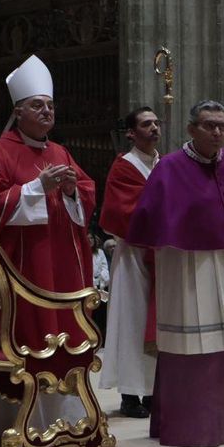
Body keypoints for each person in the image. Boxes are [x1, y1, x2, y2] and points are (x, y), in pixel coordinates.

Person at [0, 54, 96, 429]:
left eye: (50, 106)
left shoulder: (59, 152)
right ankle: (29, 425)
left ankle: (70, 423)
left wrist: (74, 191)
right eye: (37, 106)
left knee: (68, 332)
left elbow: (86, 193)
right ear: (18, 111)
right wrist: (38, 187)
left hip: (63, 265)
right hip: (26, 268)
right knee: (33, 335)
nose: (46, 112)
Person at [128, 99, 224, 447]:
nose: (217, 132)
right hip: (189, 270)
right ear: (191, 129)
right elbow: (145, 222)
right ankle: (196, 425)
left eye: (222, 125)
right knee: (195, 342)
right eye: (209, 125)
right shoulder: (169, 168)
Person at [97, 107, 162, 419]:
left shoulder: (166, 164)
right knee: (132, 322)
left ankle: (152, 391)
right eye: (146, 124)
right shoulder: (124, 167)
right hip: (134, 255)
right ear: (131, 134)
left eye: (156, 123)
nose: (154, 128)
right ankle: (129, 393)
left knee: (158, 325)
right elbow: (119, 212)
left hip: (162, 255)